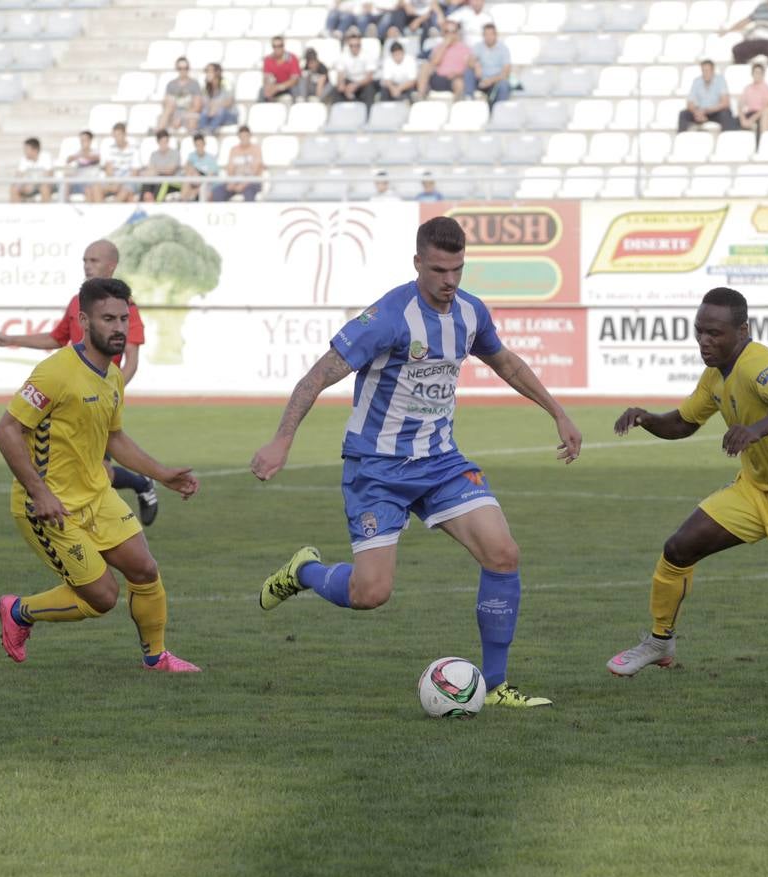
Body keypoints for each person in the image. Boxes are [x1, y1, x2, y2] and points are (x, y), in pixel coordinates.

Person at [249, 216, 583, 710]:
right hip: (377, 469)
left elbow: (506, 362)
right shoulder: (388, 317)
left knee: (503, 553)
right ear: (418, 264)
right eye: (440, 269)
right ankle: (306, 572)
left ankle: (494, 686)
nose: (450, 280)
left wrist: (558, 412)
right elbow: (318, 375)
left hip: (440, 462)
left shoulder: (470, 313)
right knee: (370, 593)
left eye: (458, 269)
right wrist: (281, 439)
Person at [606, 287, 768, 690]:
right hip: (756, 491)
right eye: (699, 331)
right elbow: (684, 423)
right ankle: (659, 642)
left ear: (742, 331)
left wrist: (755, 429)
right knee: (679, 548)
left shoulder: (757, 364)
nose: (705, 341)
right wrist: (647, 418)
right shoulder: (714, 376)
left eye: (715, 333)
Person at [0, 277, 200, 673]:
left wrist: (163, 474)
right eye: (108, 319)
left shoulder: (113, 376)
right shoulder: (55, 372)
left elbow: (115, 438)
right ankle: (19, 612)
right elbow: (5, 431)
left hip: (96, 496)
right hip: (47, 508)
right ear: (84, 321)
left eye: (124, 318)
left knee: (144, 569)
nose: (119, 327)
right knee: (102, 596)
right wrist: (40, 493)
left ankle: (156, 659)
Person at [0, 240, 160, 526]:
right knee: (85, 470)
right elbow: (56, 339)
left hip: (94, 405)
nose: (87, 266)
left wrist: (107, 394)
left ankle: (139, 486)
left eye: (94, 260)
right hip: (70, 400)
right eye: (84, 260)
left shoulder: (126, 308)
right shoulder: (78, 303)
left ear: (111, 265)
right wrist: (10, 340)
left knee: (96, 469)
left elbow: (132, 361)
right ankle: (136, 487)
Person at [416, 18, 471, 99]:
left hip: (455, 78)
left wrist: (457, 74)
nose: (450, 35)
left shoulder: (465, 49)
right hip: (439, 78)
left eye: (453, 32)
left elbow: (468, 68)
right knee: (425, 66)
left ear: (456, 33)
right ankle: (420, 96)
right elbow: (434, 62)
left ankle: (457, 105)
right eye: (447, 31)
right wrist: (445, 45)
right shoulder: (438, 47)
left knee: (459, 83)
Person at [678, 59, 735, 132]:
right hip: (699, 112)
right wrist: (697, 112)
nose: (705, 73)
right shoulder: (697, 81)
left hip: (715, 112)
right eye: (703, 71)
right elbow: (689, 103)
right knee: (683, 114)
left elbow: (725, 103)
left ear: (713, 70)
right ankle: (681, 137)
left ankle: (727, 138)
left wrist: (706, 110)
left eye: (707, 70)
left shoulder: (720, 80)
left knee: (726, 114)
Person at [210, 126, 264, 202]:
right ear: (238, 137)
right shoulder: (234, 150)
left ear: (249, 136)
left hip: (252, 181)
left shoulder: (256, 149)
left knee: (249, 192)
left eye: (246, 136)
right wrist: (231, 182)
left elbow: (255, 171)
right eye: (242, 136)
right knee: (217, 192)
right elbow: (230, 168)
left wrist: (243, 184)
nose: (244, 139)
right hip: (236, 180)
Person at [88, 122, 138, 203]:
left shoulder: (134, 150)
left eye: (119, 135)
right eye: (115, 135)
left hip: (127, 182)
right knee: (95, 187)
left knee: (125, 190)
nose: (117, 138)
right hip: (114, 180)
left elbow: (134, 173)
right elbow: (109, 170)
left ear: (124, 134)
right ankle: (100, 211)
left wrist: (119, 183)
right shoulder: (110, 149)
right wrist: (113, 183)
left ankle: (111, 211)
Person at [465, 22, 511, 106]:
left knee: (504, 85)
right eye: (486, 34)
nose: (488, 37)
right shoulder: (478, 46)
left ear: (496, 35)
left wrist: (490, 81)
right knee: (469, 72)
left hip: (496, 81)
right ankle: (469, 100)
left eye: (491, 34)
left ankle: (500, 109)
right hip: (480, 80)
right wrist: (475, 65)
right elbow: (469, 62)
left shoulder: (503, 49)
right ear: (483, 35)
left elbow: (505, 73)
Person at [334, 28, 379, 106]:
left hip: (363, 83)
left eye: (357, 45)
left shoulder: (367, 55)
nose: (354, 48)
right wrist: (342, 85)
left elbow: (369, 77)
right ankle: (339, 114)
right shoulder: (343, 56)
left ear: (360, 45)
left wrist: (355, 85)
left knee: (370, 89)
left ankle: (368, 115)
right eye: (351, 46)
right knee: (337, 90)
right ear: (348, 46)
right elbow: (340, 74)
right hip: (349, 82)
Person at [157, 56, 202, 132]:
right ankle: (159, 134)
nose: (183, 71)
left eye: (185, 68)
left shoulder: (194, 84)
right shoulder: (171, 84)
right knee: (166, 112)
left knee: (192, 121)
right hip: (174, 113)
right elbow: (166, 104)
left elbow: (197, 106)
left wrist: (181, 117)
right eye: (180, 68)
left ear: (188, 68)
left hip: (189, 114)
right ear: (177, 69)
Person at [737, 62, 768, 143]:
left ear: (763, 74)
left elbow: (765, 107)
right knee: (734, 122)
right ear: (752, 74)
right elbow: (740, 105)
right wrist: (742, 119)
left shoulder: (766, 89)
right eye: (755, 73)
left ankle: (759, 147)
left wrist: (752, 119)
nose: (757, 75)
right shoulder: (747, 88)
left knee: (760, 123)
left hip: (759, 114)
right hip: (749, 113)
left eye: (759, 73)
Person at [141, 129, 181, 202]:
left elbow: (170, 171)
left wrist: (157, 170)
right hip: (157, 179)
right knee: (146, 183)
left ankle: (156, 204)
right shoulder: (154, 154)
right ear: (158, 142)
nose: (164, 144)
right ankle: (143, 204)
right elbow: (150, 170)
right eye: (162, 142)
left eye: (166, 142)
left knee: (161, 181)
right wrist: (160, 170)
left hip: (171, 182)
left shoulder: (174, 153)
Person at [197, 63, 238, 133]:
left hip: (229, 115)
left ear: (217, 72)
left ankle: (209, 132)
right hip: (212, 114)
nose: (207, 74)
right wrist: (211, 108)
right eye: (206, 71)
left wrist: (216, 107)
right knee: (204, 112)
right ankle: (202, 132)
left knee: (220, 111)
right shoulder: (206, 87)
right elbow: (205, 103)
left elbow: (229, 102)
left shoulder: (226, 83)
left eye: (209, 71)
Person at [11, 137, 52, 203]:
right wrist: (22, 185)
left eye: (26, 149)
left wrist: (33, 185)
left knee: (44, 187)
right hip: (29, 185)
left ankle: (45, 211)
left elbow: (48, 175)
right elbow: (18, 176)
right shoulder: (24, 159)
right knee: (14, 188)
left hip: (43, 184)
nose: (24, 151)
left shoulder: (45, 157)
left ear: (35, 150)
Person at [262, 35, 302, 102]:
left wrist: (279, 87)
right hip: (275, 87)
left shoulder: (292, 58)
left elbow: (294, 80)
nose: (277, 48)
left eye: (280, 45)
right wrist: (269, 87)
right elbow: (267, 78)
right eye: (274, 46)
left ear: (283, 46)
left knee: (296, 90)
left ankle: (296, 109)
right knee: (263, 91)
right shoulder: (268, 60)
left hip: (289, 87)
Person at [181, 132, 218, 202]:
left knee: (203, 186)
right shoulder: (191, 156)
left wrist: (196, 189)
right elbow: (187, 169)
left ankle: (193, 195)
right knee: (187, 179)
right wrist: (194, 172)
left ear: (204, 144)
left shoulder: (211, 158)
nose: (199, 147)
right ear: (195, 145)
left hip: (206, 183)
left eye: (201, 145)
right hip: (194, 181)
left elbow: (211, 175)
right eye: (197, 145)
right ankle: (183, 202)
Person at [64, 130, 100, 200]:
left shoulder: (95, 152)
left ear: (90, 141)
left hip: (90, 182)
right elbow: (68, 160)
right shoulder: (77, 152)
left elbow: (95, 158)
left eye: (85, 140)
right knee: (66, 182)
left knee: (89, 189)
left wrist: (80, 154)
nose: (83, 142)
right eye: (81, 140)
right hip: (79, 182)